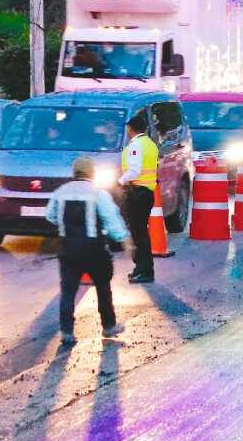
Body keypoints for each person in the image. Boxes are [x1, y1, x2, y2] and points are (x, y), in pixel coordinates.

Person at [45, 157, 131, 345]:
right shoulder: (98, 194)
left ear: (74, 172)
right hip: (94, 250)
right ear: (91, 173)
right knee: (103, 287)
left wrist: (64, 226)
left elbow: (50, 215)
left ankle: (67, 332)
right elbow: (111, 219)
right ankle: (108, 325)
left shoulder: (61, 192)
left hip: (67, 249)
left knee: (68, 290)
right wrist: (124, 240)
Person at [118, 114, 159, 284]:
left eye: (128, 128)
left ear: (131, 128)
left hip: (138, 193)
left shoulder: (136, 146)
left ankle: (145, 270)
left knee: (139, 234)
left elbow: (134, 170)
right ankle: (140, 268)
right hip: (146, 192)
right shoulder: (150, 144)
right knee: (140, 233)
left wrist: (120, 181)